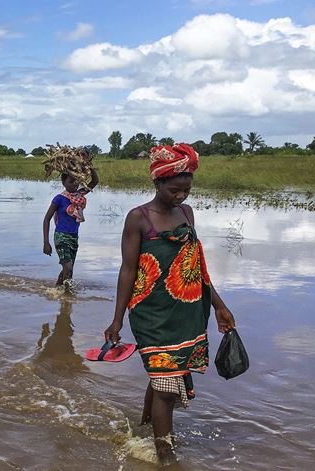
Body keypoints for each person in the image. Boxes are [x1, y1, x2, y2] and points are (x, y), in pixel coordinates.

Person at [102, 143, 236, 466]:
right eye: (175, 190)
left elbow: (196, 265)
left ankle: (146, 424)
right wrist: (117, 320)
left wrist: (218, 304)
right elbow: (128, 270)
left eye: (186, 191)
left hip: (186, 311)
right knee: (166, 386)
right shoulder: (138, 219)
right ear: (158, 183)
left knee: (167, 374)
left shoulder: (187, 214)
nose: (181, 196)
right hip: (151, 314)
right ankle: (165, 454)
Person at [42, 167, 99, 287]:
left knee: (69, 269)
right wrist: (46, 242)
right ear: (63, 183)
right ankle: (68, 298)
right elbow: (46, 219)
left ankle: (57, 290)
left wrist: (91, 167)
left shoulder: (80, 194)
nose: (74, 184)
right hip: (61, 237)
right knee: (67, 267)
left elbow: (95, 181)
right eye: (71, 181)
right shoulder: (59, 199)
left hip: (74, 237)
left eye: (76, 181)